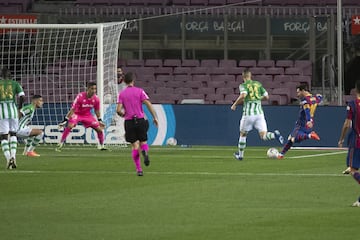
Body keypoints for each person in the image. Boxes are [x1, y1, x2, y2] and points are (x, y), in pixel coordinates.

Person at [231, 69, 284, 161]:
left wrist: (234, 104)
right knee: (264, 135)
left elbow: (243, 95)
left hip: (248, 114)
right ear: (250, 76)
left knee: (243, 134)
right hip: (259, 114)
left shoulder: (243, 85)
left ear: (243, 77)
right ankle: (274, 135)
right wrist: (257, 99)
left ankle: (240, 155)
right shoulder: (258, 84)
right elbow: (267, 97)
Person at [116, 72, 158, 176]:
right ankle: (145, 152)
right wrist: (155, 117)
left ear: (124, 81)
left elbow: (118, 110)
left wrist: (123, 115)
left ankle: (139, 169)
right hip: (140, 120)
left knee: (134, 146)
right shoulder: (140, 91)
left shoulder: (122, 94)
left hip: (129, 121)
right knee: (143, 142)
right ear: (133, 81)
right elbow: (148, 104)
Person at [55, 82, 106, 151]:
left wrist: (100, 120)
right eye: (92, 89)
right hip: (77, 114)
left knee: (99, 130)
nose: (94, 91)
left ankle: (101, 145)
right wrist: (65, 120)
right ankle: (60, 143)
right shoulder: (80, 97)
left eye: (95, 89)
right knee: (70, 126)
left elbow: (97, 110)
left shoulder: (96, 99)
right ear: (87, 89)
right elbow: (73, 109)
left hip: (87, 115)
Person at [277, 84, 322, 159]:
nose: (297, 95)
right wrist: (319, 96)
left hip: (302, 123)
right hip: (310, 123)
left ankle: (310, 135)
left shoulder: (305, 100)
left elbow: (306, 110)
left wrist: (308, 120)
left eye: (298, 92)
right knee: (291, 138)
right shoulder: (315, 98)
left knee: (293, 138)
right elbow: (320, 97)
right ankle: (281, 154)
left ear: (303, 91)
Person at [338, 80, 360, 206]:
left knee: (352, 170)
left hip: (356, 141)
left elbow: (347, 123)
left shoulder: (352, 104)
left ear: (356, 90)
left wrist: (341, 138)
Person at [0, 67, 25, 169]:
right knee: (14, 134)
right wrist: (19, 108)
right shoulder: (15, 84)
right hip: (13, 111)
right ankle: (13, 157)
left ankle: (8, 158)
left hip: (1, 112)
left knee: (4, 136)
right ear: (11, 75)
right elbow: (22, 97)